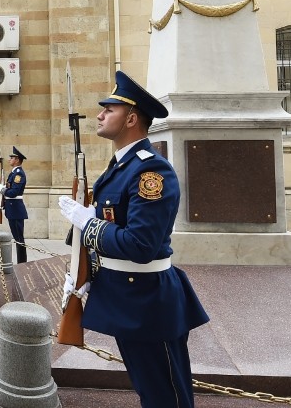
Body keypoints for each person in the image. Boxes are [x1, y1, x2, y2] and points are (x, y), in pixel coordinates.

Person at [58, 70, 209, 408]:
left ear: (131, 118)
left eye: (109, 109)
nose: (99, 114)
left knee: (165, 396)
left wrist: (89, 223)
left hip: (149, 302)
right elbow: (113, 231)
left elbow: (140, 245)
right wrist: (84, 275)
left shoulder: (150, 171)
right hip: (123, 295)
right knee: (147, 388)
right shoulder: (119, 168)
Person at [0, 146, 29, 263]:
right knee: (17, 238)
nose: (9, 159)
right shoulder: (13, 173)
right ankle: (21, 263)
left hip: (16, 210)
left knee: (19, 239)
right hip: (12, 209)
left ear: (17, 160)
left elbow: (13, 193)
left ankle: (22, 263)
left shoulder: (18, 174)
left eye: (12, 157)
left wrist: (2, 189)